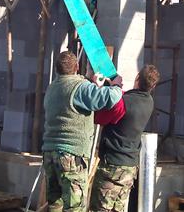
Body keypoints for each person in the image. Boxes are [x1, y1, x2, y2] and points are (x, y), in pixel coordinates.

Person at [42, 51, 123, 212]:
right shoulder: (80, 87)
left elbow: (75, 96)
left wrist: (92, 84)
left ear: (57, 69)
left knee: (55, 204)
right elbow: (108, 98)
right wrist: (116, 85)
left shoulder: (52, 87)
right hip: (71, 155)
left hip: (50, 153)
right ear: (77, 67)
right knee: (75, 207)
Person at [89, 64, 160, 212]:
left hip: (113, 166)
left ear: (137, 78)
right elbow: (127, 99)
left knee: (100, 208)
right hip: (130, 167)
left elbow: (99, 117)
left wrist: (100, 88)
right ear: (153, 86)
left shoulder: (123, 102)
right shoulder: (149, 102)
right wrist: (113, 89)